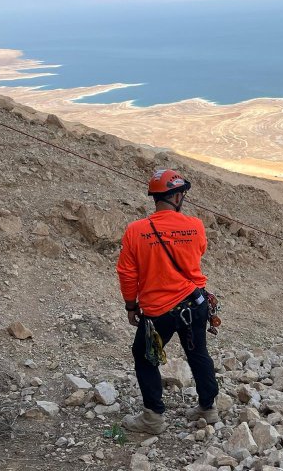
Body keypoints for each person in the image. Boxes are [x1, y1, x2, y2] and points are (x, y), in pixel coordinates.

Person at [116, 169, 219, 435]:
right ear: (176, 196)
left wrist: (131, 306)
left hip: (157, 312)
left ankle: (153, 418)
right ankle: (208, 408)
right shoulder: (195, 225)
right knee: (198, 354)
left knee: (144, 357)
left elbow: (127, 273)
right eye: (182, 193)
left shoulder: (135, 231)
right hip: (194, 304)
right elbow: (199, 251)